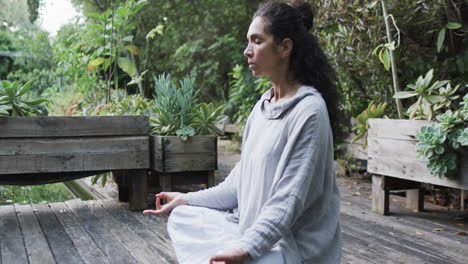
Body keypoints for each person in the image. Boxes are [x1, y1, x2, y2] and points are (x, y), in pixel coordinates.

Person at [143, 1, 342, 263]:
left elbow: (289, 200)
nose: (247, 51)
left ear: (285, 47)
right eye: (248, 41)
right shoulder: (262, 106)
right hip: (252, 232)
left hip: (292, 249)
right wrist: (187, 199)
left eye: (257, 41)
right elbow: (238, 184)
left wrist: (246, 248)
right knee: (183, 216)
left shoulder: (310, 112)